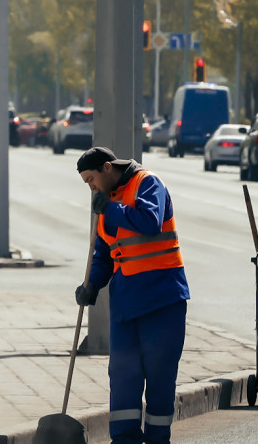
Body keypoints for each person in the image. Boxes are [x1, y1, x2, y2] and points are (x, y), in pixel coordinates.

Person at [74, 146, 189, 444]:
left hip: (162, 301)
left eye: (91, 179)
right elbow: (104, 255)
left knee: (159, 377)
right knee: (123, 376)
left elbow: (150, 222)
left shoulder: (148, 184)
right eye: (86, 182)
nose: (91, 187)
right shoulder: (107, 204)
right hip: (126, 305)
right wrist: (91, 286)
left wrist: (110, 209)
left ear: (108, 167)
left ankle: (157, 439)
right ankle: (124, 440)